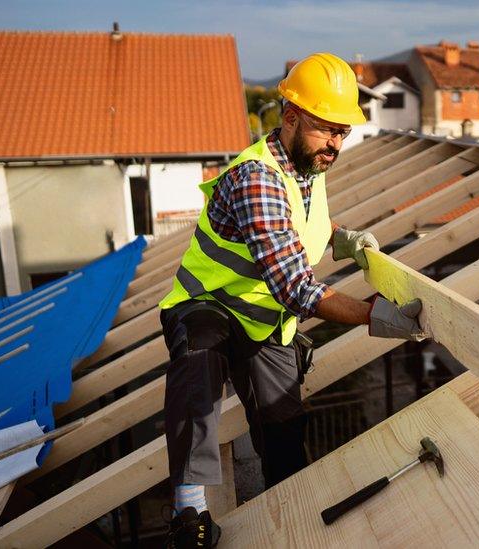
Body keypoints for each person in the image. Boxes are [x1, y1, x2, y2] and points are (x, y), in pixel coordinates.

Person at [158, 52, 427, 548]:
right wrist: (373, 315)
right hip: (209, 305)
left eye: (343, 133)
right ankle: (189, 509)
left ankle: (291, 514)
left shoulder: (307, 166)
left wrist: (337, 237)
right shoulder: (256, 177)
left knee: (283, 426)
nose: (335, 144)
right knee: (198, 366)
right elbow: (298, 288)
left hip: (263, 318)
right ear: (290, 117)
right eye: (327, 130)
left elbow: (297, 226)